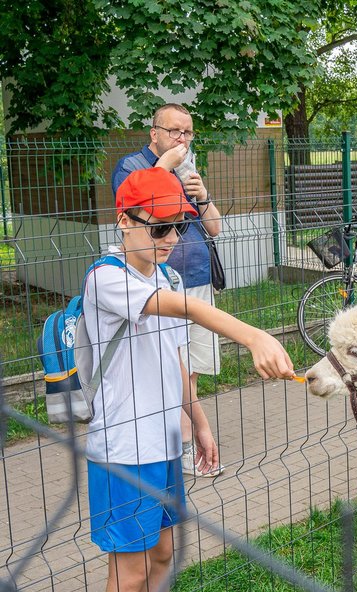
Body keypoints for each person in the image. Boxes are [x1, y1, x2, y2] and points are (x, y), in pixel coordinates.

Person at [88, 167, 294, 592]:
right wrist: (251, 335)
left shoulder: (167, 275)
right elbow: (187, 309)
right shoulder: (105, 278)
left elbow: (174, 356)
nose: (170, 238)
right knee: (130, 570)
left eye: (178, 226)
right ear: (124, 221)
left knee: (162, 556)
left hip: (163, 441)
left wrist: (198, 420)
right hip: (123, 449)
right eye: (158, 226)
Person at [112, 103, 225, 478]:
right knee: (167, 365)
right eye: (174, 131)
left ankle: (188, 439)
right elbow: (134, 204)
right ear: (154, 133)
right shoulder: (133, 167)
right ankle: (176, 446)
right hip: (153, 286)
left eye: (188, 132)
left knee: (190, 366)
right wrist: (165, 169)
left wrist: (202, 193)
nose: (182, 139)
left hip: (194, 276)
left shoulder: (189, 172)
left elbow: (214, 228)